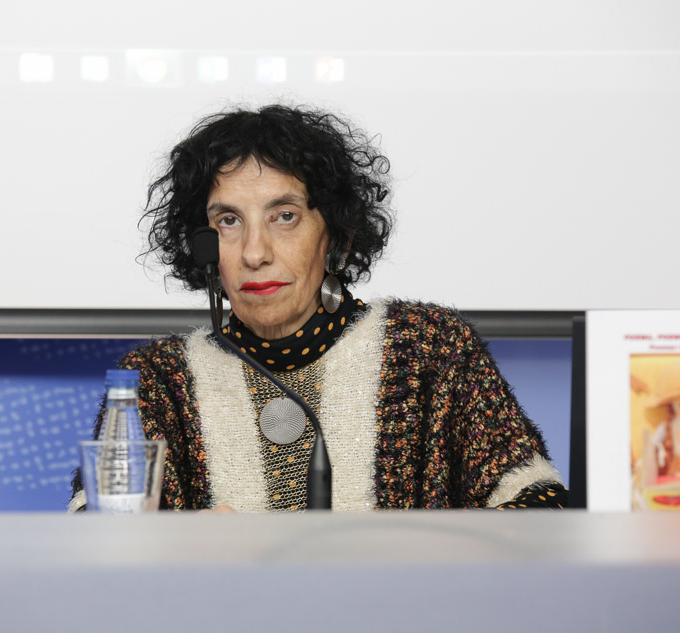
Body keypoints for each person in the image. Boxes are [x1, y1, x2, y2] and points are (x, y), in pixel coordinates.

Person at [69, 104, 567, 511]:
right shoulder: (158, 380)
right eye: (228, 222)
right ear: (202, 246)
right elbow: (95, 539)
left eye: (284, 216)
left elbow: (541, 506)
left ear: (336, 235)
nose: (254, 253)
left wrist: (416, 551)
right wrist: (178, 546)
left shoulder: (429, 350)